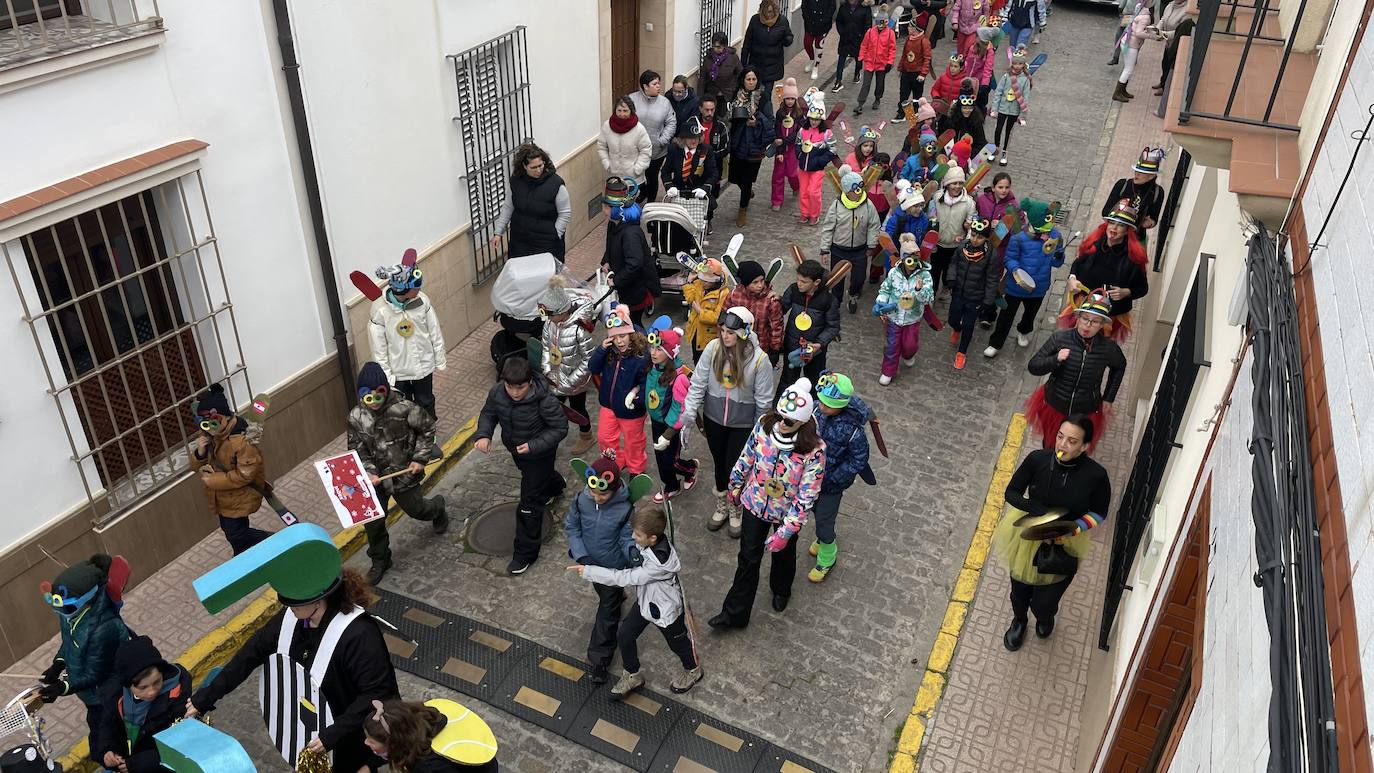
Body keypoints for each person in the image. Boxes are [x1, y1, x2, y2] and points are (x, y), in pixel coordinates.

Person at [188, 566, 399, 773]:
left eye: (295, 604)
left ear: (317, 600)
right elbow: (250, 654)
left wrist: (331, 736)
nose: (290, 609)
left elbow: (376, 693)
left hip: (350, 736)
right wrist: (206, 697)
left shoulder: (360, 634)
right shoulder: (294, 616)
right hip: (310, 726)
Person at [709, 377, 826, 628]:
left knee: (783, 555)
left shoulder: (814, 450)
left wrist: (787, 530)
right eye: (781, 416)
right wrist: (736, 483)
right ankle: (734, 614)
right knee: (747, 559)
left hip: (785, 515)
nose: (783, 423)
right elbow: (747, 454)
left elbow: (807, 495)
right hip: (754, 503)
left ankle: (781, 589)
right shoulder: (764, 425)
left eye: (790, 420)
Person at [992, 415, 1111, 650]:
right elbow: (1012, 492)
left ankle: (1045, 616)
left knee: (1045, 602)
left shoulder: (1096, 476)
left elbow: (1099, 512)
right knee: (1019, 592)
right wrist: (1031, 506)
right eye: (1060, 436)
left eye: (1072, 441)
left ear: (1085, 446)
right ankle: (1019, 620)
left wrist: (1072, 529)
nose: (1062, 444)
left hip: (1066, 542)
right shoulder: (1037, 459)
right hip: (1026, 536)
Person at [570, 506, 704, 697]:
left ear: (652, 539)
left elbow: (624, 578)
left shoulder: (657, 565)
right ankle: (632, 674)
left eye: (638, 534)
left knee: (678, 643)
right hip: (646, 602)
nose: (634, 536)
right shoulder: (650, 544)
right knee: (625, 635)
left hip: (665, 609)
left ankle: (693, 670)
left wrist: (590, 571)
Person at [348, 362, 449, 585]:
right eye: (368, 398)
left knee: (417, 510)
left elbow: (427, 429)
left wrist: (419, 458)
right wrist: (369, 471)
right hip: (376, 482)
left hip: (404, 475)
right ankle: (380, 560)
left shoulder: (405, 408)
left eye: (378, 396)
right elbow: (357, 447)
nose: (373, 403)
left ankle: (438, 507)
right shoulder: (356, 416)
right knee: (374, 523)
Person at [682, 307, 776, 535]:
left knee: (735, 466)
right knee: (719, 462)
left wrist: (758, 435)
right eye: (722, 330)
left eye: (730, 332)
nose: (725, 336)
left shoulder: (759, 360)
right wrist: (689, 414)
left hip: (742, 426)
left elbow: (764, 402)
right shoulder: (713, 349)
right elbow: (698, 383)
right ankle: (721, 504)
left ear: (744, 332)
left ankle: (736, 508)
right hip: (714, 419)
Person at [476, 357, 570, 575]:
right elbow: (488, 413)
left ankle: (525, 554)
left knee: (529, 504)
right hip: (517, 451)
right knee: (536, 477)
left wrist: (533, 446)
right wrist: (484, 434)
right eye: (510, 387)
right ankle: (556, 485)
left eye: (521, 387)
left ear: (530, 382)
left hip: (540, 454)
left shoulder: (544, 399)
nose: (515, 393)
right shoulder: (497, 392)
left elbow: (559, 428)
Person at [37, 554, 132, 753]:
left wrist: (63, 687)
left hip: (110, 693)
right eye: (54, 605)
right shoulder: (70, 614)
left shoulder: (104, 628)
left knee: (113, 740)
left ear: (89, 598)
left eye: (66, 606)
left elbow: (96, 673)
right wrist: (59, 664)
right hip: (92, 694)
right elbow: (70, 642)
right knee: (101, 737)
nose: (60, 611)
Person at [564, 454, 640, 684]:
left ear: (615, 489)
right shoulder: (581, 500)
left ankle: (600, 658)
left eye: (603, 493)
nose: (597, 497)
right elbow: (572, 527)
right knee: (608, 596)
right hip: (589, 563)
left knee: (607, 611)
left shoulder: (625, 510)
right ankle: (618, 595)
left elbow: (626, 539)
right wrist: (581, 554)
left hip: (612, 568)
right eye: (594, 492)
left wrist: (633, 555)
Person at [1026, 292, 1127, 449]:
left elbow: (1119, 366)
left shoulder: (1108, 348)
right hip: (1055, 404)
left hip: (1085, 409)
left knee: (1075, 448)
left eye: (1094, 322)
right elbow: (1034, 366)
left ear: (1102, 325)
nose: (1087, 325)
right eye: (1085, 319)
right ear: (1078, 318)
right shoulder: (1059, 338)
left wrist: (1109, 398)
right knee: (1051, 444)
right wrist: (1055, 359)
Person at [190, 383, 271, 555]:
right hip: (222, 497)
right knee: (230, 532)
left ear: (226, 416)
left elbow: (245, 475)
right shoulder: (210, 437)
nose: (210, 428)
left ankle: (272, 542)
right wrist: (200, 452)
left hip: (240, 496)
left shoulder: (241, 442)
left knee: (237, 533)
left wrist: (213, 481)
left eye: (214, 422)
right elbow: (195, 466)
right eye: (205, 425)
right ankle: (246, 556)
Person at [96, 635, 192, 773]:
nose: (151, 692)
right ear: (127, 686)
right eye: (143, 687)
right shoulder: (116, 696)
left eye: (157, 682)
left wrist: (137, 764)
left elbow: (182, 745)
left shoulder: (178, 699)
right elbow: (107, 725)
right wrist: (107, 750)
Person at [367, 253, 447, 418]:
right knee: (403, 405)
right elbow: (379, 349)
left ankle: (428, 432)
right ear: (403, 288)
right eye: (416, 285)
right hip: (399, 372)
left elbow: (434, 330)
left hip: (423, 366)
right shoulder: (381, 312)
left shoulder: (422, 301)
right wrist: (387, 376)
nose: (420, 287)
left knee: (426, 401)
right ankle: (410, 435)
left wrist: (439, 358)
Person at [809, 372, 871, 581]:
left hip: (831, 484)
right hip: (812, 478)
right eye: (821, 402)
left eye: (827, 405)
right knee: (816, 511)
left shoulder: (853, 430)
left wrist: (836, 478)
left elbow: (858, 459)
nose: (821, 407)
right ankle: (822, 537)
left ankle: (828, 554)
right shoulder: (819, 411)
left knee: (825, 520)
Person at [986, 198, 1065, 356]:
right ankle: (995, 343)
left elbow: (1057, 264)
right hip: (1016, 286)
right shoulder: (1019, 237)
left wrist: (1058, 255)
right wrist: (1016, 271)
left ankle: (1023, 331)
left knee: (1030, 315)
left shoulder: (1055, 235)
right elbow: (1009, 259)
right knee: (1006, 316)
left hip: (1039, 286)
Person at [1061, 202, 1149, 341]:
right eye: (1112, 222)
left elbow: (1143, 288)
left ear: (1127, 231)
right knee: (1074, 340)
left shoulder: (1134, 258)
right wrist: (1072, 278)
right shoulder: (1093, 244)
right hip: (1085, 306)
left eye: (1120, 225)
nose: (1114, 228)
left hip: (1110, 313)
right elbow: (1077, 264)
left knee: (1097, 346)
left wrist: (1126, 292)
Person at [537, 276, 598, 456]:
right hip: (555, 376)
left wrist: (570, 381)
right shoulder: (549, 323)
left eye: (552, 315)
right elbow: (546, 347)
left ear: (563, 312)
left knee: (577, 409)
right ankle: (550, 436)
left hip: (575, 381)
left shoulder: (580, 328)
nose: (549, 318)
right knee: (553, 407)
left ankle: (586, 435)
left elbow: (589, 360)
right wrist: (547, 370)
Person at [588, 306, 651, 475]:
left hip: (631, 410)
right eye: (614, 337)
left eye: (622, 336)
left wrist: (638, 403)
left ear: (631, 334)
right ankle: (615, 462)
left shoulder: (641, 357)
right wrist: (601, 349)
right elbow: (592, 367)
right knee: (604, 437)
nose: (619, 342)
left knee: (633, 442)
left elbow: (646, 385)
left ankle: (636, 470)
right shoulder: (609, 351)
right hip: (608, 405)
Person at [363, 699, 499, 772]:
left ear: (395, 743)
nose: (366, 742)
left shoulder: (427, 767)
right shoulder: (421, 722)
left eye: (371, 741)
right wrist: (370, 765)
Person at [489, 143, 571, 261]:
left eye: (540, 165)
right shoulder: (516, 182)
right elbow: (508, 207)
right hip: (520, 243)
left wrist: (555, 235)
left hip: (546, 244)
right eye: (533, 167)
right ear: (524, 166)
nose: (538, 170)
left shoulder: (556, 184)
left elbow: (565, 213)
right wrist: (498, 232)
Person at [646, 324, 699, 502]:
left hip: (671, 427)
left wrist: (668, 434)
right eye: (652, 347)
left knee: (671, 461)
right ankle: (671, 486)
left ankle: (691, 468)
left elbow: (679, 407)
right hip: (656, 422)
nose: (653, 352)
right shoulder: (654, 368)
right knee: (660, 459)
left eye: (659, 349)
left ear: (670, 353)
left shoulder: (679, 376)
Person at [819, 165, 882, 314]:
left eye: (860, 187)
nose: (858, 192)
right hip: (839, 249)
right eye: (855, 189)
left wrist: (871, 245)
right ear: (847, 191)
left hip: (860, 250)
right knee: (837, 279)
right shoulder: (837, 205)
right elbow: (828, 227)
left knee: (859, 278)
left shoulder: (868, 204)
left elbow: (874, 225)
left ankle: (853, 294)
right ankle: (835, 303)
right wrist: (824, 249)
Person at [875, 233, 935, 384]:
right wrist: (881, 304)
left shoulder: (925, 275)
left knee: (909, 345)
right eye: (908, 259)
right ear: (903, 258)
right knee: (892, 346)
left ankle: (908, 355)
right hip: (894, 317)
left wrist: (919, 290)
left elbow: (928, 298)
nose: (912, 263)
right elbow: (885, 289)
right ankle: (888, 371)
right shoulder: (894, 273)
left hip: (912, 318)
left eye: (915, 259)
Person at [601, 177, 659, 328]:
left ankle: (642, 350)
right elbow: (610, 245)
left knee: (633, 325)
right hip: (627, 287)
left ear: (616, 210)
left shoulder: (630, 234)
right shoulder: (613, 225)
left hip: (636, 290)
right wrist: (606, 260)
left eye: (606, 208)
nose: (603, 211)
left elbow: (635, 264)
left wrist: (616, 280)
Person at [946, 218, 1000, 369]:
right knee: (952, 319)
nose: (976, 239)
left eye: (980, 237)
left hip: (975, 297)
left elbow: (992, 279)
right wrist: (951, 278)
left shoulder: (991, 255)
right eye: (974, 235)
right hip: (958, 292)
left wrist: (988, 301)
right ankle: (957, 327)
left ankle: (962, 352)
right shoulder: (963, 245)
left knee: (969, 325)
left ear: (986, 238)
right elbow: (954, 263)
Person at [779, 259, 842, 387]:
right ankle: (780, 405)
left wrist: (819, 343)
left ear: (816, 282)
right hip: (792, 344)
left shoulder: (828, 300)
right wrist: (775, 301)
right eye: (798, 279)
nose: (799, 284)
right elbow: (782, 308)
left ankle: (814, 405)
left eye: (804, 282)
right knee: (788, 379)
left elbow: (833, 326)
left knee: (814, 380)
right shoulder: (793, 290)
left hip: (814, 349)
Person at [728, 66, 777, 227]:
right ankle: (747, 192)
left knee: (747, 179)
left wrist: (757, 121)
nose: (750, 82)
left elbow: (771, 123)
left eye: (753, 79)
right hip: (739, 142)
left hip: (755, 146)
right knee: (735, 177)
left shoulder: (763, 99)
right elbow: (730, 118)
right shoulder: (737, 96)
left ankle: (742, 209)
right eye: (748, 79)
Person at [1101, 147, 1166, 246]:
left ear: (1152, 176)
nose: (1136, 174)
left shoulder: (1158, 192)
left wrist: (1150, 223)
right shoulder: (1122, 184)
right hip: (1112, 235)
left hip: (1136, 240)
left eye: (1141, 172)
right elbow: (1105, 211)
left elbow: (1154, 217)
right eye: (1136, 171)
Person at [629, 70, 678, 202]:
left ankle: (650, 202)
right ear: (645, 86)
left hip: (656, 150)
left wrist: (663, 140)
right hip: (636, 149)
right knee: (637, 174)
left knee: (652, 176)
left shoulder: (664, 103)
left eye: (659, 83)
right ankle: (642, 192)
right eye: (655, 83)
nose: (658, 86)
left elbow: (671, 122)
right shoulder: (632, 99)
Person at [662, 116, 720, 226]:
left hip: (698, 192)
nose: (694, 140)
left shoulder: (706, 150)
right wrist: (669, 186)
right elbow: (665, 172)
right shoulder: (674, 149)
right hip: (678, 192)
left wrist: (705, 188)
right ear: (683, 138)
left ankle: (706, 224)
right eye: (690, 137)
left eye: (696, 137)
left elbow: (714, 173)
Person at [928, 165, 976, 295]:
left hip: (955, 245)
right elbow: (931, 218)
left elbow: (972, 224)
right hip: (938, 243)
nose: (957, 186)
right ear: (948, 184)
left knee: (950, 270)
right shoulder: (937, 197)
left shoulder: (969, 203)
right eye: (954, 183)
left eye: (961, 183)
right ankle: (931, 293)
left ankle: (945, 288)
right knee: (935, 271)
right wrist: (930, 240)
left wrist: (966, 237)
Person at [726, 259, 785, 366]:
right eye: (755, 282)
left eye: (762, 280)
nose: (760, 285)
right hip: (736, 346)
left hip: (760, 348)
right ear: (745, 283)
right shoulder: (734, 295)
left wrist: (774, 350)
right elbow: (724, 318)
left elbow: (776, 327)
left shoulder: (770, 301)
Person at [796, 92, 839, 225]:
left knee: (813, 192)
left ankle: (815, 214)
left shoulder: (826, 133)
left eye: (817, 119)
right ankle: (805, 213)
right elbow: (797, 144)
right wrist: (799, 155)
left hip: (817, 169)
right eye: (812, 118)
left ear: (821, 120)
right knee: (803, 192)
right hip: (803, 168)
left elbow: (833, 149)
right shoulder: (802, 131)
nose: (814, 122)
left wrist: (821, 161)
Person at [598, 96, 654, 189]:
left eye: (625, 111)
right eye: (619, 110)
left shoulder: (639, 129)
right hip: (614, 177)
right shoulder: (607, 126)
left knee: (631, 203)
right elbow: (601, 146)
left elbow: (646, 150)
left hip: (633, 180)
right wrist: (607, 164)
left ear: (631, 111)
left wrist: (637, 169)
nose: (622, 114)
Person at [682, 258, 731, 363]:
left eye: (706, 281)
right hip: (696, 332)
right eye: (701, 279)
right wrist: (689, 282)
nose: (702, 283)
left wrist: (700, 311)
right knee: (696, 360)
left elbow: (717, 317)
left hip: (709, 337)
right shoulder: (699, 284)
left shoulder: (723, 293)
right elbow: (690, 299)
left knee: (708, 362)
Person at [989, 50, 1032, 166]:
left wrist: (1023, 115)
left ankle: (1004, 153)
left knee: (1009, 132)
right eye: (1015, 63)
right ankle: (995, 148)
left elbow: (1025, 97)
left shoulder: (1025, 80)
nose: (1017, 66)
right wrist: (994, 109)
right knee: (998, 129)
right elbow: (998, 92)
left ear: (1023, 65)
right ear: (1011, 63)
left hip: (1014, 110)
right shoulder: (1006, 76)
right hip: (1003, 107)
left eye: (1020, 64)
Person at [741, 0, 794, 95]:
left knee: (766, 95)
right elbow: (747, 43)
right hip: (756, 65)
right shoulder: (755, 20)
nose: (768, 15)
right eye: (766, 11)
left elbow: (788, 36)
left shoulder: (782, 21)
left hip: (772, 66)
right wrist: (744, 64)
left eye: (770, 12)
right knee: (754, 94)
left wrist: (788, 39)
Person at [854, 5, 897, 116]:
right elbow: (864, 45)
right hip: (869, 62)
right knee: (866, 84)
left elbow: (892, 49)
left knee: (879, 84)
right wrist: (860, 58)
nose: (880, 25)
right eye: (878, 23)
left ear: (886, 22)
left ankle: (877, 99)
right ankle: (860, 103)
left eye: (882, 23)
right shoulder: (870, 32)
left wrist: (889, 62)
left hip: (882, 64)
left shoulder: (890, 33)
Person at [770, 78, 804, 212]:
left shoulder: (799, 115)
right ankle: (777, 200)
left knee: (792, 173)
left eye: (792, 99)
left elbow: (797, 134)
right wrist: (779, 150)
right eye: (787, 98)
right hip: (781, 149)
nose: (789, 101)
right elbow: (777, 131)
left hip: (792, 149)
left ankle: (796, 187)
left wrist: (785, 141)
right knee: (778, 175)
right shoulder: (780, 113)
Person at [1112, 3, 1154, 103]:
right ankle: (1117, 93)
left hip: (1127, 40)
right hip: (1132, 44)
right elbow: (1138, 33)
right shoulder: (1146, 17)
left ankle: (1122, 90)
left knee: (1128, 68)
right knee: (1128, 69)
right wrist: (1152, 36)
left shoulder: (1139, 7)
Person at [894, 18, 933, 121]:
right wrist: (900, 68)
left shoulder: (924, 41)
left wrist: (923, 74)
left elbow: (927, 58)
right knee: (903, 94)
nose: (908, 28)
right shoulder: (909, 39)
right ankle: (903, 114)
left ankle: (914, 114)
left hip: (917, 73)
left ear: (915, 29)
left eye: (910, 27)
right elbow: (904, 55)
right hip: (906, 72)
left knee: (917, 96)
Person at [1153, 0, 1193, 95]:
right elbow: (1163, 19)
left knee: (1169, 66)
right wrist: (1157, 29)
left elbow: (1178, 32)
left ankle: (1165, 87)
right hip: (1168, 42)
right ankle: (1162, 82)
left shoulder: (1187, 11)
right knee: (1164, 63)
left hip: (1176, 43)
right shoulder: (1171, 5)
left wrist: (1162, 34)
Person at [830, 0, 872, 91]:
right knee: (841, 59)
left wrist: (863, 38)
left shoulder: (865, 8)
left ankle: (857, 73)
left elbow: (868, 25)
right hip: (845, 38)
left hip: (858, 39)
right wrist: (842, 32)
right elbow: (839, 21)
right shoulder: (843, 7)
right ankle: (838, 80)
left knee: (858, 59)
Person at [698, 32, 744, 108]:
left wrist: (735, 89)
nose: (716, 49)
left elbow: (740, 74)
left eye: (719, 47)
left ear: (724, 46)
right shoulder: (708, 59)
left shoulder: (733, 58)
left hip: (728, 95)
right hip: (712, 95)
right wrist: (700, 97)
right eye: (714, 46)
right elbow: (702, 79)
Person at [802, 0, 838, 78]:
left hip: (823, 25)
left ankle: (816, 66)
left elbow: (832, 7)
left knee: (819, 45)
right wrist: (806, 17)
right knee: (807, 43)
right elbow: (804, 5)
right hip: (810, 23)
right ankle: (811, 58)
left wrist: (825, 20)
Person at [966, 38, 997, 110]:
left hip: (982, 81)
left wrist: (985, 84)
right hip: (971, 80)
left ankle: (981, 115)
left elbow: (988, 69)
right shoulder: (972, 48)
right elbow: (968, 64)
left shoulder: (989, 52)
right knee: (969, 100)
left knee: (981, 102)